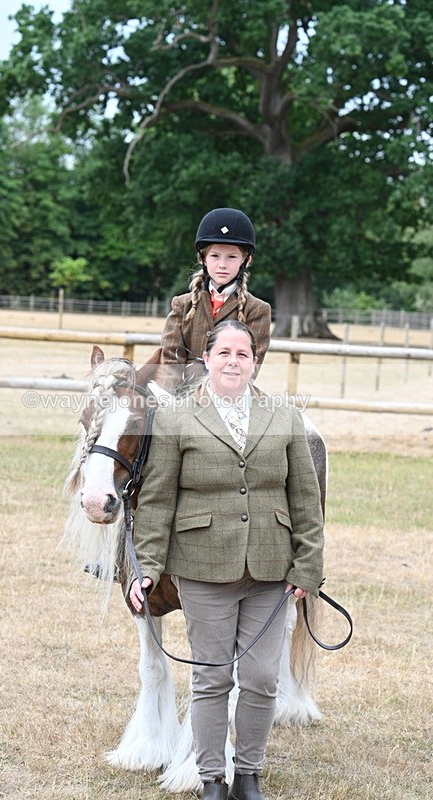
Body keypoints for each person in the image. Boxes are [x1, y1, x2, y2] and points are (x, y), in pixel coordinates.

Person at [129, 320, 325, 800]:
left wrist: (308, 566)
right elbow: (155, 503)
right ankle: (212, 778)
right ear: (208, 360)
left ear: (254, 361)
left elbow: (305, 498)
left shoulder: (284, 417)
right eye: (225, 352)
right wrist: (147, 568)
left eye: (244, 353)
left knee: (260, 678)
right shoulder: (177, 420)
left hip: (270, 569)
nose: (234, 360)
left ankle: (249, 774)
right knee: (212, 676)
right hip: (201, 567)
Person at [161, 208, 271, 386]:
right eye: (215, 256)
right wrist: (173, 402)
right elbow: (170, 359)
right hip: (182, 399)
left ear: (246, 260)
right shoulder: (181, 305)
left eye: (231, 257)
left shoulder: (257, 310)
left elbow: (248, 368)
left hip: (231, 397)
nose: (222, 265)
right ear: (202, 259)